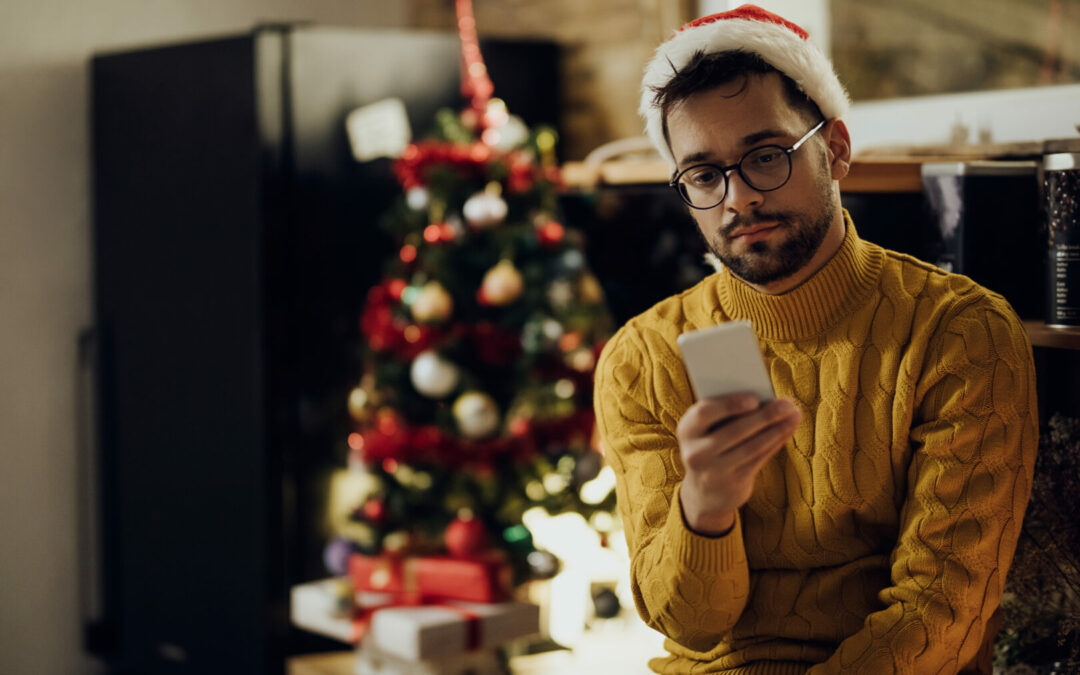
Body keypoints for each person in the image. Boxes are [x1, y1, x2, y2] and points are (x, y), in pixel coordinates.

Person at [593, 5, 1038, 674]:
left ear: (834, 150)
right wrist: (705, 506)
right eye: (705, 176)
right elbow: (687, 624)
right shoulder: (642, 357)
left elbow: (943, 609)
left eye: (765, 156)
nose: (738, 199)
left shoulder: (960, 332)